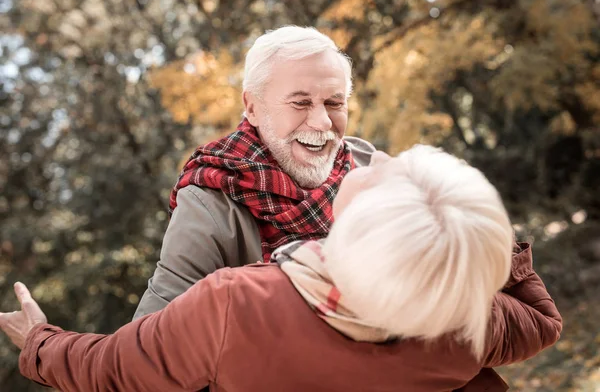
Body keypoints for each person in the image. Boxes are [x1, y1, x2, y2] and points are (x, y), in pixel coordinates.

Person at [0, 145, 562, 392]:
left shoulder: (236, 305)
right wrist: (474, 246)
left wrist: (39, 342)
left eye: (387, 174)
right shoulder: (467, 319)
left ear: (354, 222)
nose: (372, 157)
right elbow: (543, 319)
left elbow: (118, 372)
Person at [132, 25, 375, 320]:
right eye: (300, 102)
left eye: (334, 103)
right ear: (253, 108)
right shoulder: (208, 205)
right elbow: (154, 339)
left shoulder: (372, 170)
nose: (323, 122)